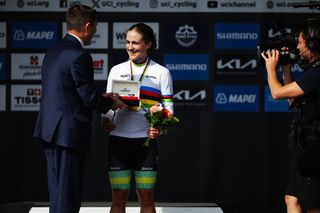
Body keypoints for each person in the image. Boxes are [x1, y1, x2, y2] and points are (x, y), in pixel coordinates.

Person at [33, 4, 125, 213]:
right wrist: (111, 103)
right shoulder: (79, 54)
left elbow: (65, 92)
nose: (94, 33)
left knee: (58, 193)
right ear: (87, 26)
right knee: (68, 195)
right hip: (68, 133)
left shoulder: (54, 50)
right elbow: (87, 96)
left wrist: (100, 97)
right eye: (94, 28)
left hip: (50, 131)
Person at [101, 23, 174, 213]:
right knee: (118, 199)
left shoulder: (162, 72)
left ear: (148, 44)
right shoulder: (116, 70)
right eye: (127, 42)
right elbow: (108, 106)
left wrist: (159, 127)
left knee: (147, 198)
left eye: (135, 43)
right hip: (118, 140)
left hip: (146, 143)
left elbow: (168, 107)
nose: (130, 47)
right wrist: (106, 120)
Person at [261, 19, 320, 213]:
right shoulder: (313, 72)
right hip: (304, 147)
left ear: (313, 44)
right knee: (292, 199)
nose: (297, 47)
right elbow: (292, 101)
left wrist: (270, 69)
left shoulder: (318, 73)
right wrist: (285, 69)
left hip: (315, 151)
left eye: (300, 43)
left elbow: (277, 93)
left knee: (312, 206)